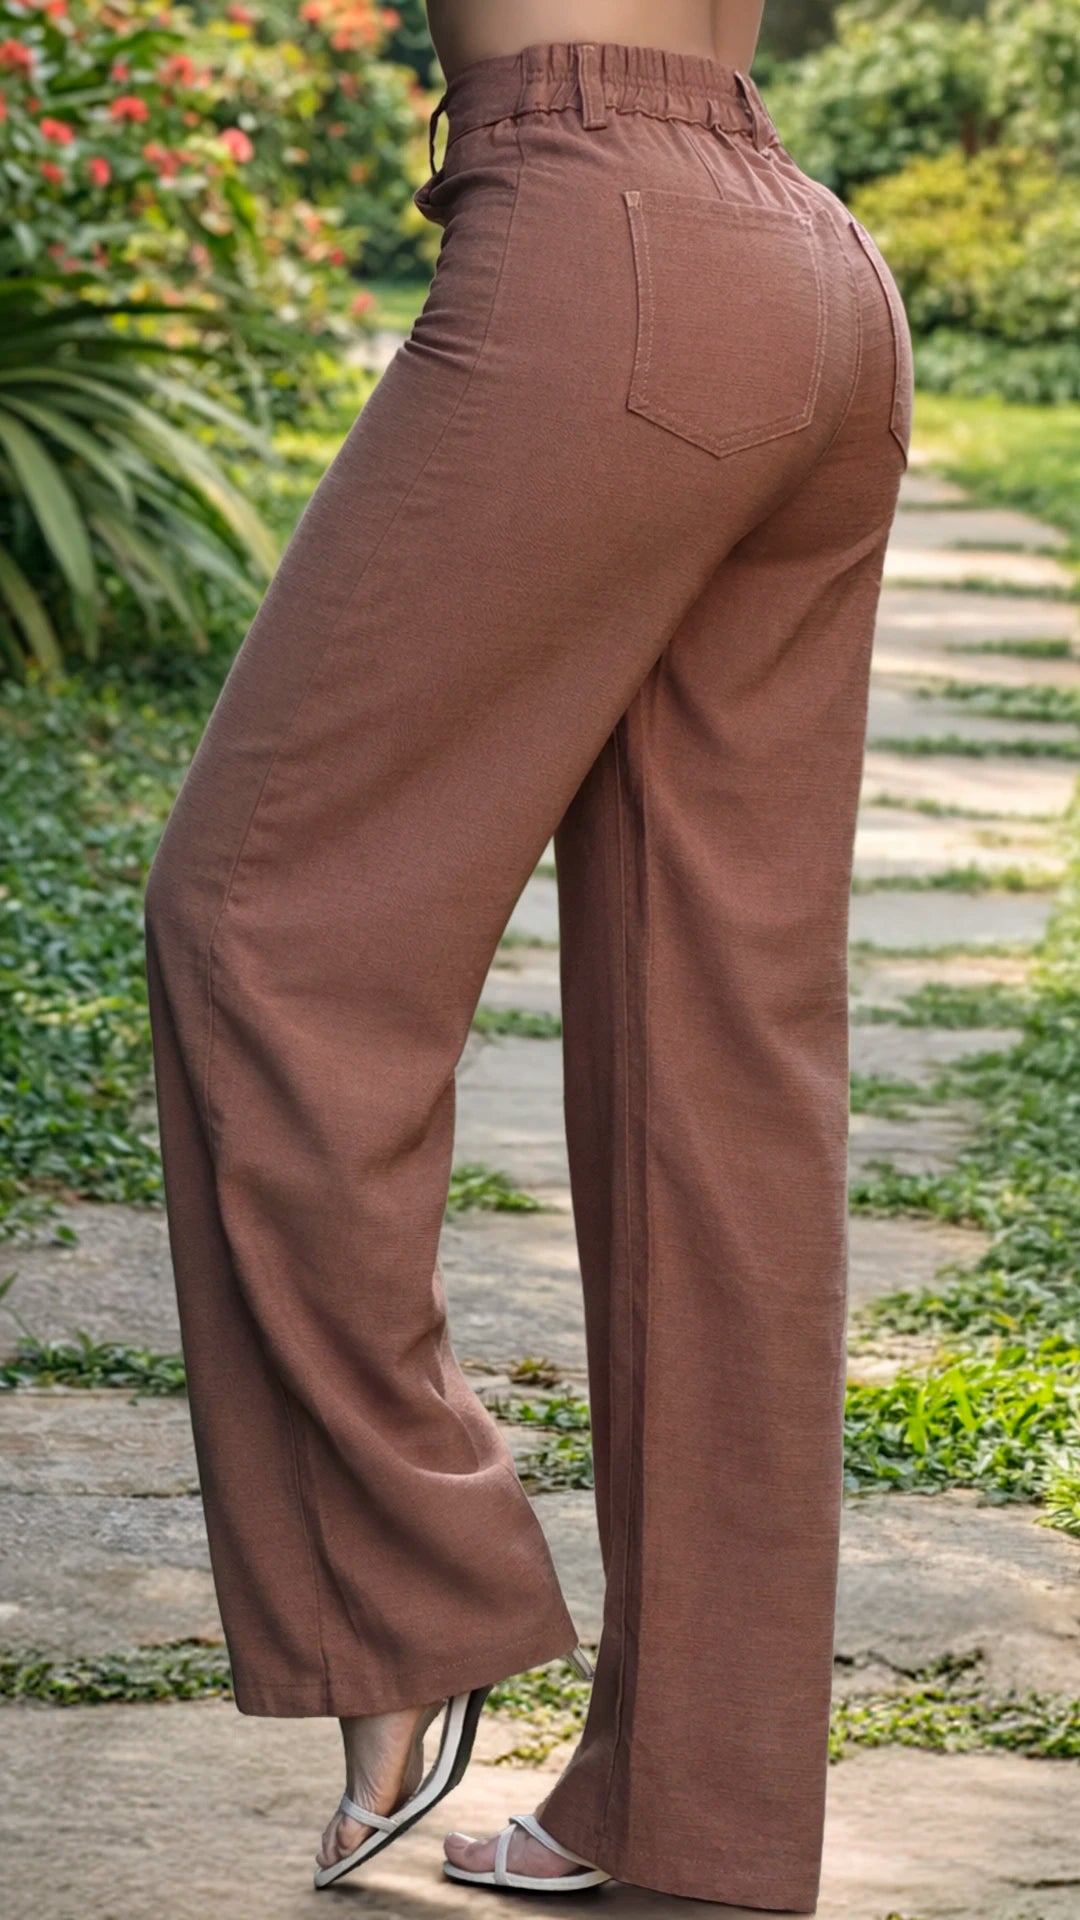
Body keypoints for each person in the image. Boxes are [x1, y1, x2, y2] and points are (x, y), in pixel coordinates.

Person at [142, 0, 913, 1907]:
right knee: (719, 1073)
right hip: (803, 264)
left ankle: (406, 1597)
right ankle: (698, 1812)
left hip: (603, 242)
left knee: (258, 921)